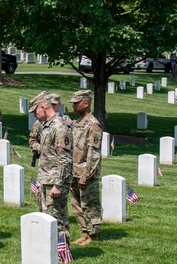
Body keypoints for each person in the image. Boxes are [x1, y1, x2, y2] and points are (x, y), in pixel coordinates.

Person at [28, 91, 73, 241]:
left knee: (58, 220)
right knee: (46, 218)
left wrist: (58, 185)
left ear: (43, 107)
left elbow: (65, 159)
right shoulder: (46, 126)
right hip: (45, 180)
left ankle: (63, 254)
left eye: (35, 111)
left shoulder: (60, 127)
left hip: (54, 182)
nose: (34, 115)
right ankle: (49, 252)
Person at [68, 90, 103, 245]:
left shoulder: (93, 125)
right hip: (73, 171)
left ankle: (93, 235)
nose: (74, 105)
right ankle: (84, 232)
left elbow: (93, 154)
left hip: (86, 173)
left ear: (86, 103)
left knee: (90, 204)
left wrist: (85, 176)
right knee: (77, 205)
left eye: (76, 103)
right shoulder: (77, 124)